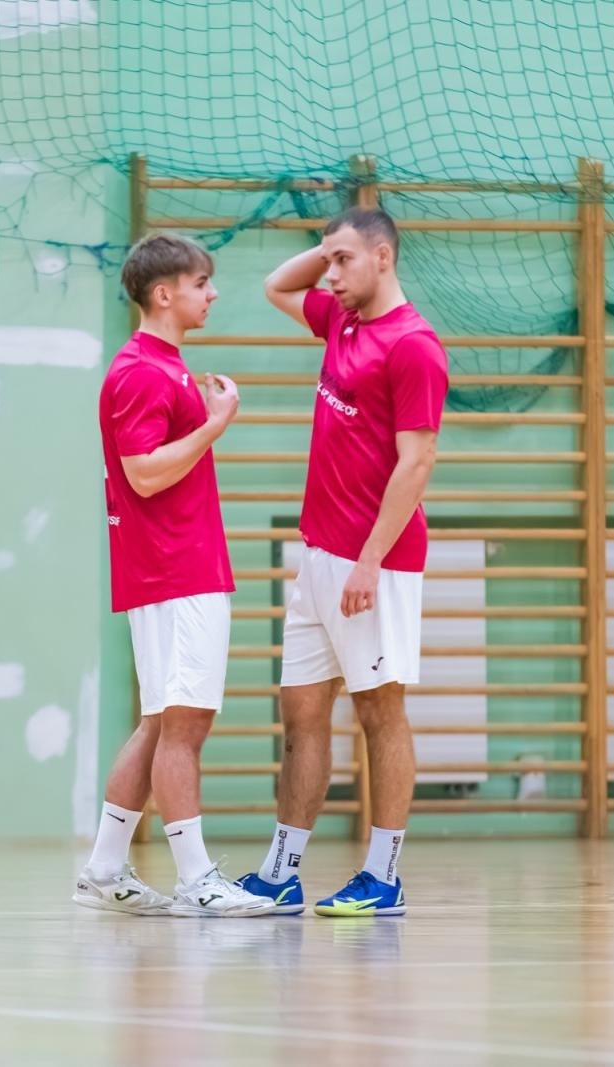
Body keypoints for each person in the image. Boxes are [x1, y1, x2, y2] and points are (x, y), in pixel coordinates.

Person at [236, 207, 447, 917]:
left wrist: (368, 560)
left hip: (373, 563)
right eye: (328, 262)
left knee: (380, 714)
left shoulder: (414, 346)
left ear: (384, 257)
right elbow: (274, 284)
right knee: (300, 712)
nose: (329, 275)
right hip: (318, 556)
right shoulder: (341, 320)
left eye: (345, 261)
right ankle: (281, 871)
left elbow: (417, 464)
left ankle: (383, 877)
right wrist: (329, 247)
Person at [72, 233, 274, 918]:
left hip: (175, 567)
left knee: (163, 722)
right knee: (184, 723)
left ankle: (104, 865)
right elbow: (144, 471)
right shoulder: (141, 373)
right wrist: (217, 424)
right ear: (165, 294)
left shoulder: (163, 366)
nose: (212, 293)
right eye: (201, 282)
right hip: (173, 569)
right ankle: (196, 878)